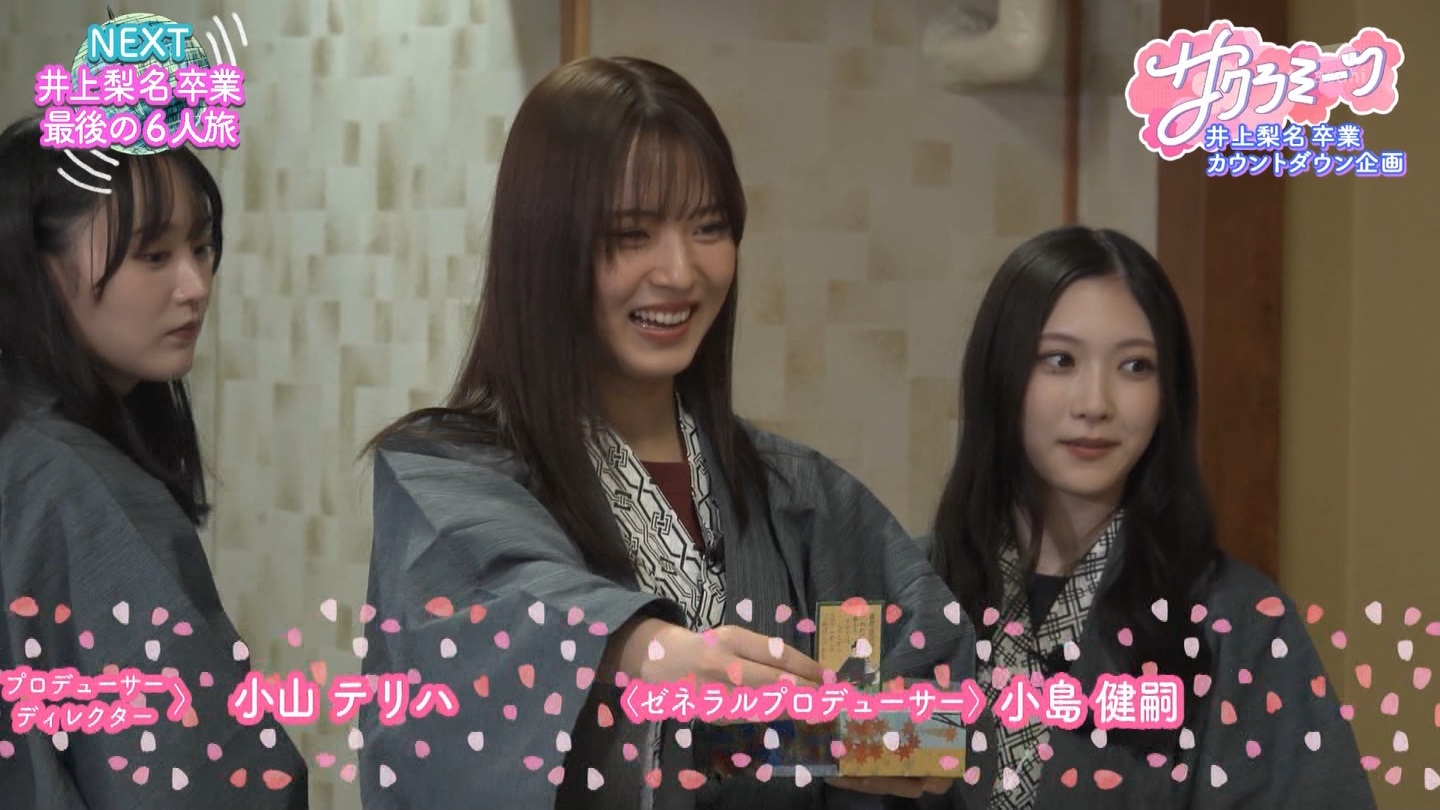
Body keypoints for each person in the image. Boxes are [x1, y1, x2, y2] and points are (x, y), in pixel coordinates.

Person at [358, 57, 973, 809]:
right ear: (543, 247)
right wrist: (647, 650)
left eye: (708, 227)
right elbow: (500, 629)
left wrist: (778, 737)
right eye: (631, 234)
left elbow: (941, 726)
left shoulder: (802, 498)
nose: (680, 272)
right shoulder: (446, 479)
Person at [918, 226, 1373, 809]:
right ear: (999, 376)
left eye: (1136, 366)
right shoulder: (908, 592)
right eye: (1059, 360)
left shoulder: (1238, 619)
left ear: (1168, 395)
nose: (1096, 403)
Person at [0, 116, 308, 808]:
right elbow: (203, 778)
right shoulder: (81, 492)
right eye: (153, 254)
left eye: (201, 247)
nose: (195, 285)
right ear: (38, 264)